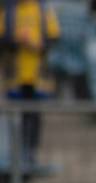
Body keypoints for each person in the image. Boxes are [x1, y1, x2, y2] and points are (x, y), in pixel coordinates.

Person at [0, 0, 60, 171]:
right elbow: (2, 39)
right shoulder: (10, 11)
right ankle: (15, 154)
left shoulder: (42, 10)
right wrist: (17, 39)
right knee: (15, 117)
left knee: (34, 116)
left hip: (37, 77)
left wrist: (37, 43)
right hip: (15, 78)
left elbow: (53, 38)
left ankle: (30, 153)